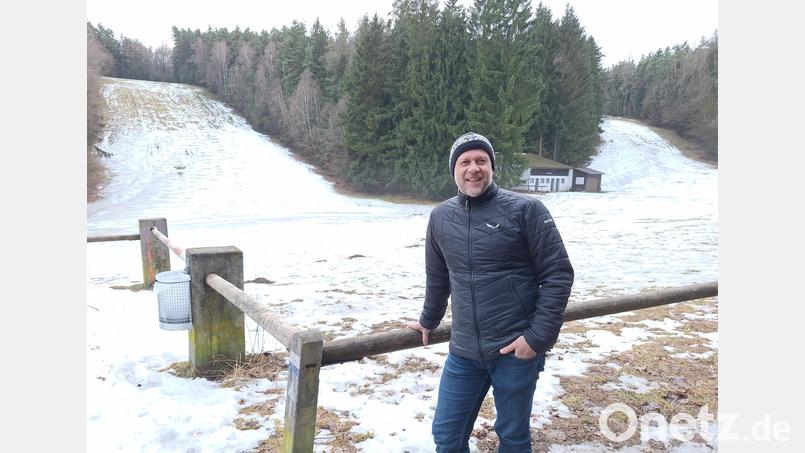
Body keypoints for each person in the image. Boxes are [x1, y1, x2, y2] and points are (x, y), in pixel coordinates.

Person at [407, 131, 574, 453]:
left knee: (512, 437)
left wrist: (536, 339)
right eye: (465, 162)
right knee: (446, 435)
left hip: (514, 349)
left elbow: (558, 275)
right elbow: (438, 276)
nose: (473, 168)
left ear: (492, 167)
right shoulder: (441, 216)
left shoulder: (527, 210)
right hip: (464, 351)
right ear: (454, 170)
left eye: (481, 160)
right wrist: (428, 319)